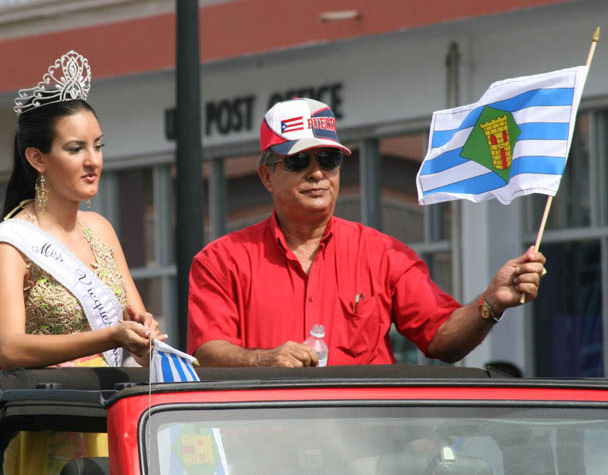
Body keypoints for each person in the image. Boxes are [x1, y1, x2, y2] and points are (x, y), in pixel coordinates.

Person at [187, 97, 546, 367]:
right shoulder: (221, 260)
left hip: (365, 450)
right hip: (263, 443)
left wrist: (492, 301)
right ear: (267, 176)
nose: (317, 174)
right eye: (299, 161)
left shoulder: (383, 254)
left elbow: (441, 338)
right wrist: (262, 361)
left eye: (328, 160)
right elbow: (206, 351)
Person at [0, 50, 162, 475]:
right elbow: (10, 348)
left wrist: (145, 335)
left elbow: (135, 323)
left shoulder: (101, 228)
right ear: (37, 158)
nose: (93, 161)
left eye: (98, 146)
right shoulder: (12, 241)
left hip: (113, 417)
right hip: (48, 425)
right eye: (75, 148)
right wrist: (109, 338)